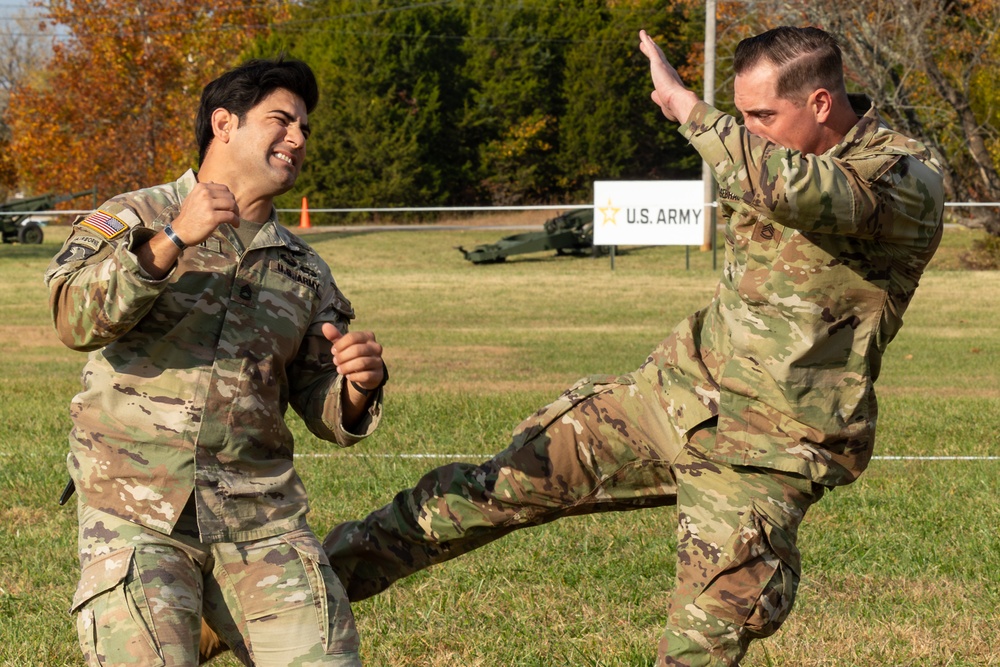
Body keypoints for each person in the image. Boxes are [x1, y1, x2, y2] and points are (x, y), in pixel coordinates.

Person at [313, 26, 946, 666]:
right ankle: (279, 604)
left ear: (819, 103)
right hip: (675, 396)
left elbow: (794, 189)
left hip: (769, 448)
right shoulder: (764, 150)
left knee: (703, 639)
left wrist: (686, 108)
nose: (749, 131)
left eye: (761, 116)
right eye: (741, 116)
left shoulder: (904, 179)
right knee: (483, 492)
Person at [46, 57, 386, 667]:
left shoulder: (305, 269)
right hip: (135, 509)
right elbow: (73, 318)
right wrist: (174, 238)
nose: (299, 139)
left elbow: (324, 407)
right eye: (282, 120)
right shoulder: (137, 216)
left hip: (260, 518)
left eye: (305, 129)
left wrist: (358, 386)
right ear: (223, 124)